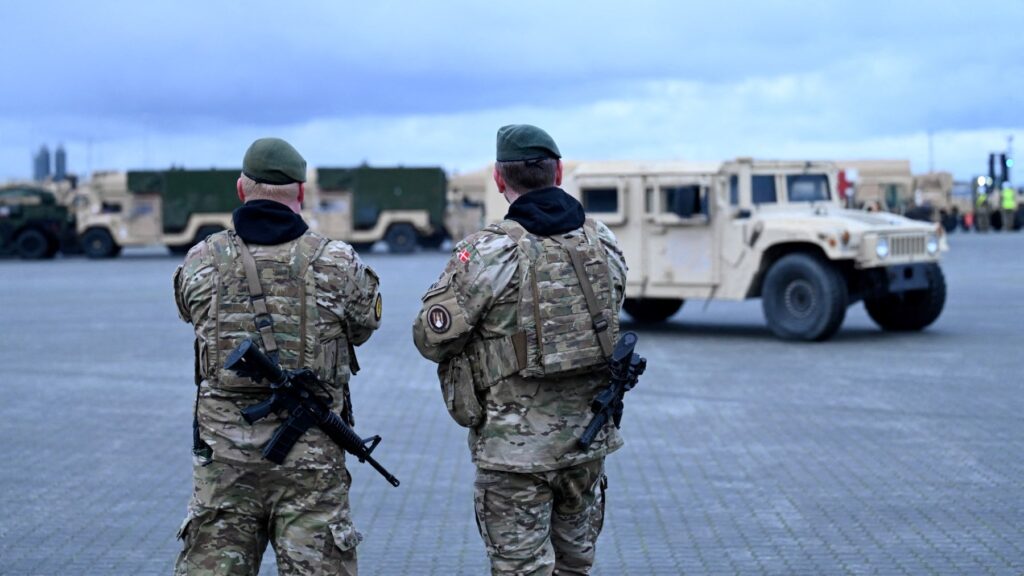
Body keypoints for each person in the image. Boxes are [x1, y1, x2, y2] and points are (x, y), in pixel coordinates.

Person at [412, 124, 628, 575]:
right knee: (576, 566)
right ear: (559, 172)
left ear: (498, 178)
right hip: (586, 442)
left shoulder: (488, 251)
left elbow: (430, 338)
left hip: (514, 454)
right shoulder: (602, 240)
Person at [173, 137, 382, 575]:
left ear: (240, 188)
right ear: (301, 193)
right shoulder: (338, 262)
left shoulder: (200, 260)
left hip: (225, 461)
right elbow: (362, 328)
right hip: (310, 462)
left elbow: (189, 313)